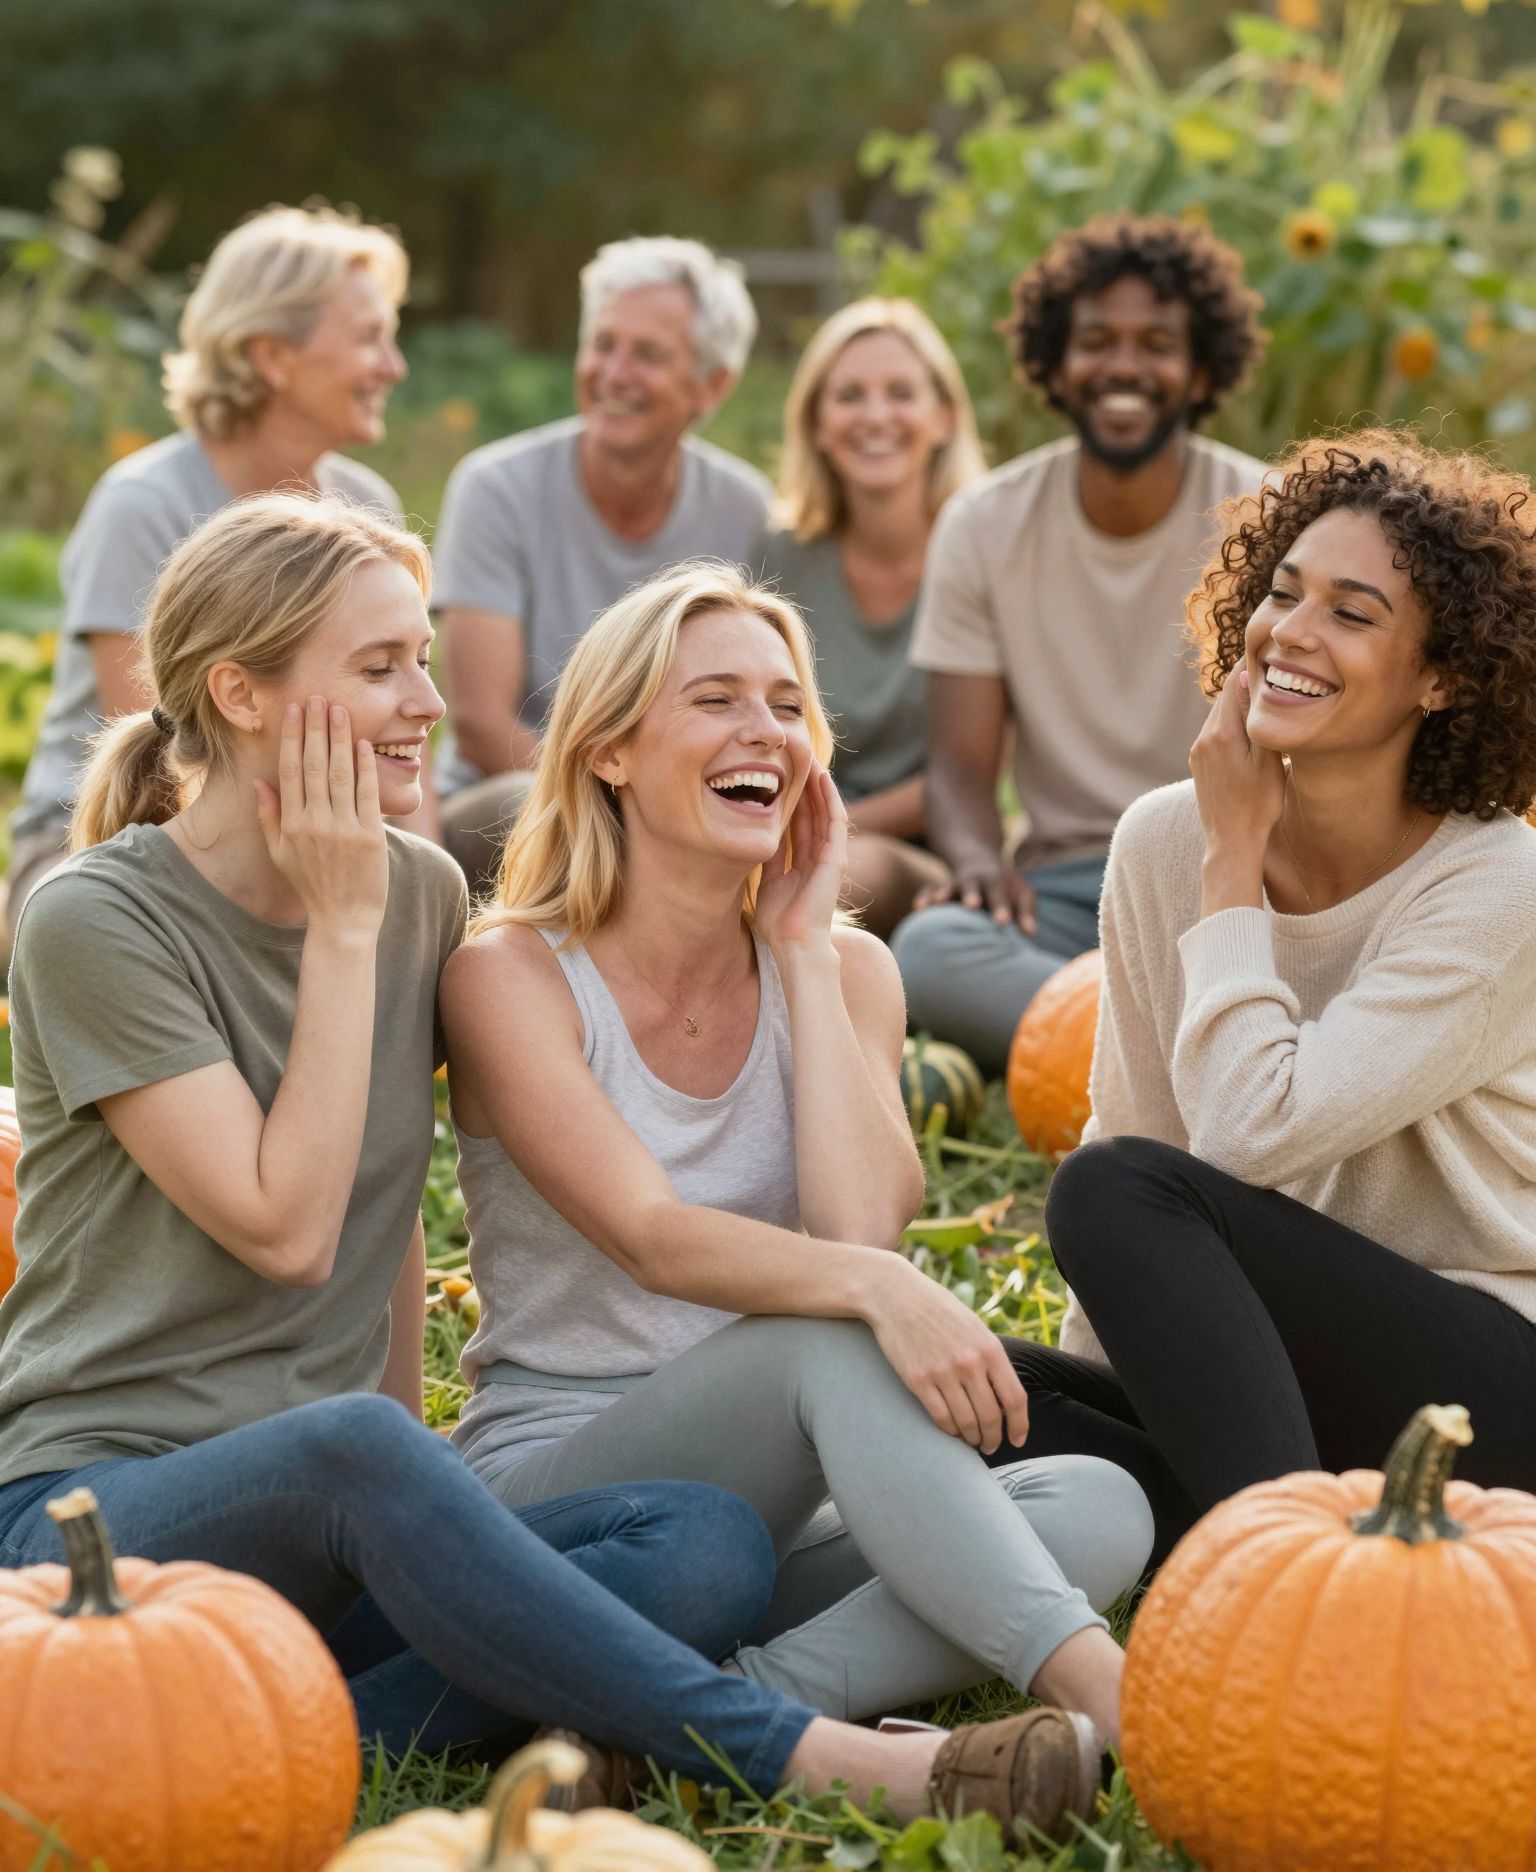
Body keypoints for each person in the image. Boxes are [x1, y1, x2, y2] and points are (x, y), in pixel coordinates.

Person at [0, 497, 1103, 1827]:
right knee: (355, 1445)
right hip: (98, 1513)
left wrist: (419, 1495)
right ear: (240, 694)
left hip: (336, 1530)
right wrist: (342, 928)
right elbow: (288, 1228)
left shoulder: (416, 891)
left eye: (422, 659)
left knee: (702, 1546)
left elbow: (382, 1209)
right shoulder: (97, 919)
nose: (428, 703)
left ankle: (301, 1726)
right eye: (381, 667)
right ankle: (817, 1757)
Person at [441, 561, 1156, 1840]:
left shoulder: (849, 971)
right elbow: (655, 1237)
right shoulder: (511, 974)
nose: (763, 731)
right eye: (715, 698)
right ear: (609, 750)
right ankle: (1138, 1710)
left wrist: (799, 952)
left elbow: (857, 1222)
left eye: (786, 705)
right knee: (830, 1329)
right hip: (570, 1496)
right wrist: (876, 1290)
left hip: (783, 1490)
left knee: (1100, 1503)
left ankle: (703, 1722)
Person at [992, 431, 1536, 1566]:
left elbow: (1245, 1134)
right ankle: (1285, 1524)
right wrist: (1113, 1382)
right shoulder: (1163, 840)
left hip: (1487, 1389)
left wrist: (1233, 858)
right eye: (1283, 593)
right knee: (979, 1389)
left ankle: (1286, 1575)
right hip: (1287, 1376)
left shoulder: (1497, 885)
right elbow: (1145, 1132)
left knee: (1110, 1187)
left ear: (1442, 678)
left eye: (1352, 613)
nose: (1290, 631)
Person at [891, 213, 1268, 1071]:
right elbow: (958, 767)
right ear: (1056, 365)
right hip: (1063, 895)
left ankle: (1098, 1042)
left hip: (1231, 876)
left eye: (1156, 344)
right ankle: (1192, 1050)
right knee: (930, 949)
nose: (1123, 366)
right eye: (1096, 341)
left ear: (1201, 369)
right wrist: (976, 859)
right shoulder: (983, 525)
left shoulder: (1268, 516)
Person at [3, 202, 426, 963]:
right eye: (369, 338)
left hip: (315, 827)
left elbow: (394, 733)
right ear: (272, 355)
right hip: (114, 838)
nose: (393, 367)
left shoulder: (367, 506)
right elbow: (168, 750)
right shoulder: (147, 504)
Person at [432, 237, 772, 893]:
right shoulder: (495, 488)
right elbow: (479, 725)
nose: (613, 372)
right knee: (536, 813)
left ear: (712, 385)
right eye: (603, 344)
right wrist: (628, 817)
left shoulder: (747, 509)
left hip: (684, 810)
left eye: (648, 354)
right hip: (514, 795)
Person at [755, 299, 985, 938]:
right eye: (850, 395)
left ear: (944, 417)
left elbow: (972, 769)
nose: (876, 416)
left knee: (844, 872)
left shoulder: (984, 553)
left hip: (921, 847)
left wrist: (816, 828)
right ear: (817, 423)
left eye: (901, 393)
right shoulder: (781, 554)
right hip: (780, 822)